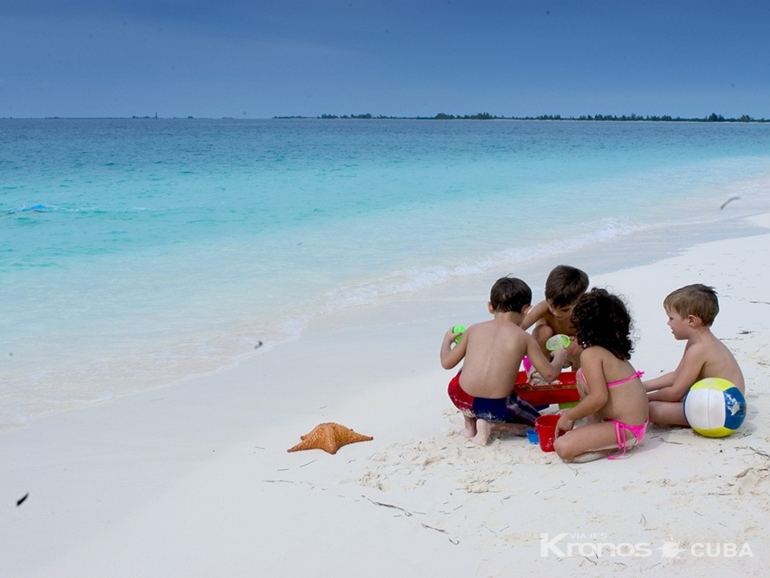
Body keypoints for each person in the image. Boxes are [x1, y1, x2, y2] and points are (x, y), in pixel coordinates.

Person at [440, 276, 568, 446]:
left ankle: (469, 426)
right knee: (537, 423)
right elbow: (550, 374)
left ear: (490, 307)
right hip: (495, 408)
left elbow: (447, 362)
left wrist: (447, 340)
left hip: (461, 398)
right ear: (525, 310)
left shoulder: (473, 330)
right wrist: (560, 355)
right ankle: (491, 425)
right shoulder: (523, 338)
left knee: (464, 372)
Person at [553, 288, 649, 462]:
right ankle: (594, 427)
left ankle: (607, 447)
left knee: (562, 447)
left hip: (626, 429)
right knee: (581, 374)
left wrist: (570, 416)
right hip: (634, 424)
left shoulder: (591, 354)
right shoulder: (611, 350)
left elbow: (599, 398)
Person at [644, 284, 745, 426]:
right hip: (728, 404)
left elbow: (675, 393)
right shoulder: (699, 342)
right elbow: (676, 375)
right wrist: (644, 386)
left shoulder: (699, 349)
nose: (668, 323)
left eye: (671, 318)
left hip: (725, 411)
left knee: (652, 409)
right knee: (662, 395)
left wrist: (644, 398)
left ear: (691, 320)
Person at [522, 265, 589, 370]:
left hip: (568, 355)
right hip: (545, 355)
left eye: (565, 310)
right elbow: (519, 327)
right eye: (552, 307)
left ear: (580, 300)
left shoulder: (583, 311)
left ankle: (575, 378)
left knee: (577, 346)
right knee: (544, 331)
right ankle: (539, 372)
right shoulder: (542, 308)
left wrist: (580, 339)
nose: (556, 313)